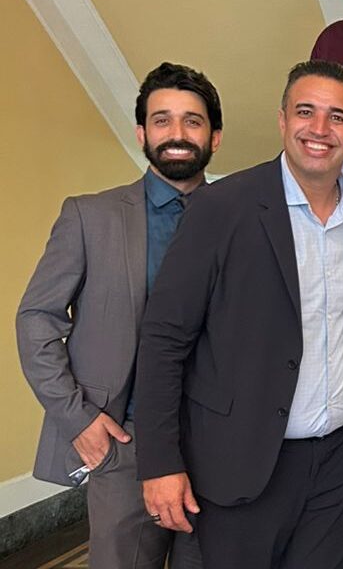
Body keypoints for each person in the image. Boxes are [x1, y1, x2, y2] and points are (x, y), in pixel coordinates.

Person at [135, 61, 343, 568]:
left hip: (339, 464)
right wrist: (159, 463)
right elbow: (164, 339)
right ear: (283, 120)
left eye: (337, 117)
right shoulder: (221, 207)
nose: (319, 129)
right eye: (305, 112)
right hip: (240, 460)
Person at [16, 63, 220, 569]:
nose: (177, 133)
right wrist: (77, 418)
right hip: (124, 444)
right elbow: (37, 318)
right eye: (162, 120)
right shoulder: (90, 216)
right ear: (141, 133)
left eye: (193, 121)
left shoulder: (241, 217)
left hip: (219, 444)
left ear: (215, 137)